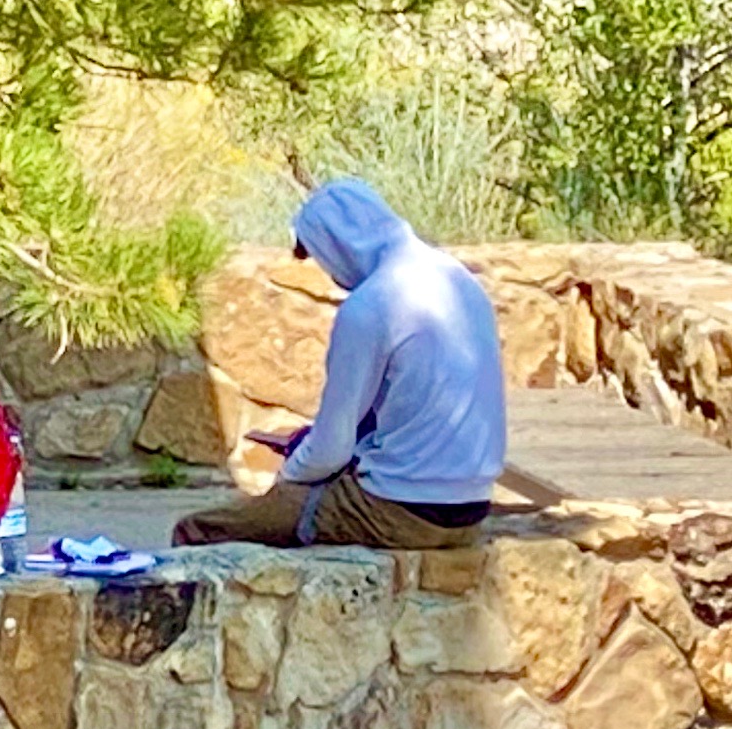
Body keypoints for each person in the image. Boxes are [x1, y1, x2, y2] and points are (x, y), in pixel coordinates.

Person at [171, 178, 505, 551]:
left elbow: (331, 449)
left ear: (336, 246)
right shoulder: (458, 280)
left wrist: (285, 479)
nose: (328, 273)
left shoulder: (371, 305)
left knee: (201, 529)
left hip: (402, 509)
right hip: (471, 507)